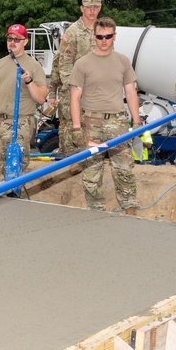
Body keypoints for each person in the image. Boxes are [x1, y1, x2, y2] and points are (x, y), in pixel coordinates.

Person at [67, 17, 142, 213]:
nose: (104, 40)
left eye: (108, 36)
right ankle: (96, 209)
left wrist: (137, 121)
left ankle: (129, 206)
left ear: (114, 36)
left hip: (117, 122)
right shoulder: (82, 64)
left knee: (124, 167)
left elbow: (131, 92)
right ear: (94, 36)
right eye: (100, 36)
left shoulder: (123, 61)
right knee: (92, 171)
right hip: (91, 122)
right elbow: (75, 97)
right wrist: (76, 127)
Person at [0, 24, 47, 184]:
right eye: (9, 39)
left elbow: (41, 98)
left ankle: (12, 202)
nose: (12, 42)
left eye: (17, 39)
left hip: (19, 122)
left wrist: (28, 81)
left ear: (25, 41)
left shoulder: (33, 66)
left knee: (13, 168)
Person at [56, 0, 102, 157]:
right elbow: (65, 63)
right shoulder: (72, 32)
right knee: (72, 129)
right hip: (76, 89)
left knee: (94, 127)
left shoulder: (102, 31)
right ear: (82, 8)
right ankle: (71, 165)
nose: (92, 10)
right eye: (89, 7)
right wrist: (73, 87)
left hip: (96, 91)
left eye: (95, 7)